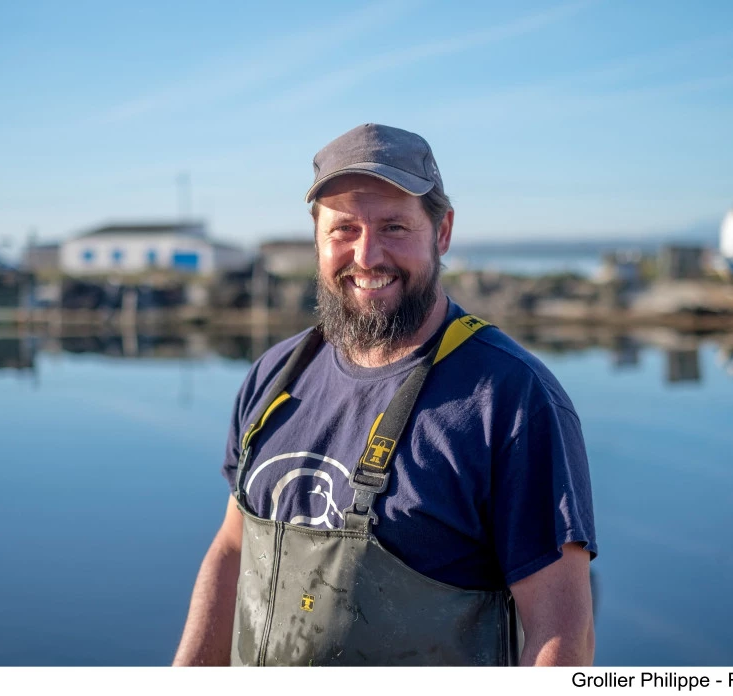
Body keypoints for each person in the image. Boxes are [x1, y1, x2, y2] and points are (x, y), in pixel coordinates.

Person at [173, 124, 596, 666]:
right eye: (344, 228)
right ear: (317, 239)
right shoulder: (273, 376)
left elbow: (562, 636)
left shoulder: (512, 401)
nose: (367, 255)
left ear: (442, 232)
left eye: (394, 226)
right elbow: (234, 550)